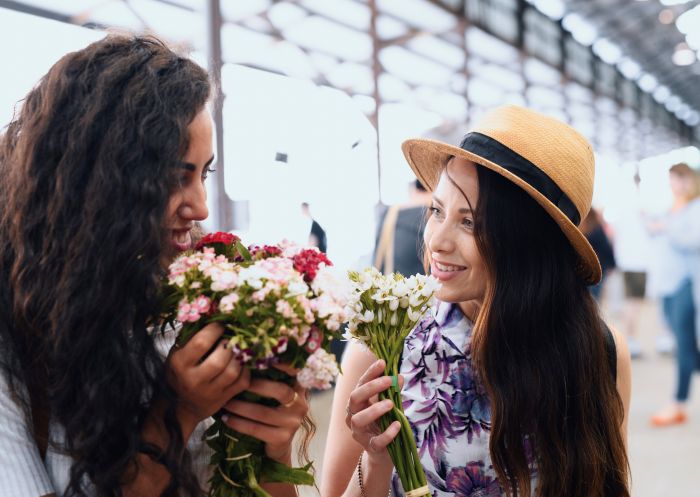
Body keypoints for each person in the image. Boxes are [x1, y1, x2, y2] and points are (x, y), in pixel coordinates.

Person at [0, 35, 307, 497]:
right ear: (98, 180)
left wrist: (274, 447)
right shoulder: (16, 339)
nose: (202, 207)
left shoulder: (200, 303)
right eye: (174, 176)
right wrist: (177, 411)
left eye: (205, 173)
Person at [321, 105, 631, 497]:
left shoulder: (597, 350)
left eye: (470, 222)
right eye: (437, 210)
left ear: (529, 243)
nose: (437, 240)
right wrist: (377, 458)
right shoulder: (386, 341)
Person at [648, 162, 700, 427]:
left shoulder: (695, 208)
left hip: (686, 282)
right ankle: (678, 402)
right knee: (686, 345)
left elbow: (693, 240)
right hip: (667, 284)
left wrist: (667, 228)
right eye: (670, 179)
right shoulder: (671, 208)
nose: (672, 184)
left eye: (677, 179)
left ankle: (677, 403)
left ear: (689, 180)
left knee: (684, 345)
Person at [373, 180, 432, 277]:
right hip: (425, 289)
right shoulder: (432, 215)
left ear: (413, 188)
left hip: (389, 288)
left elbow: (377, 262)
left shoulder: (389, 214)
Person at [579, 208, 616, 302]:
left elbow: (606, 249)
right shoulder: (595, 230)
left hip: (595, 269)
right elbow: (607, 249)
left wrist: (612, 265)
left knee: (590, 298)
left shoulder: (592, 231)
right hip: (596, 269)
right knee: (592, 298)